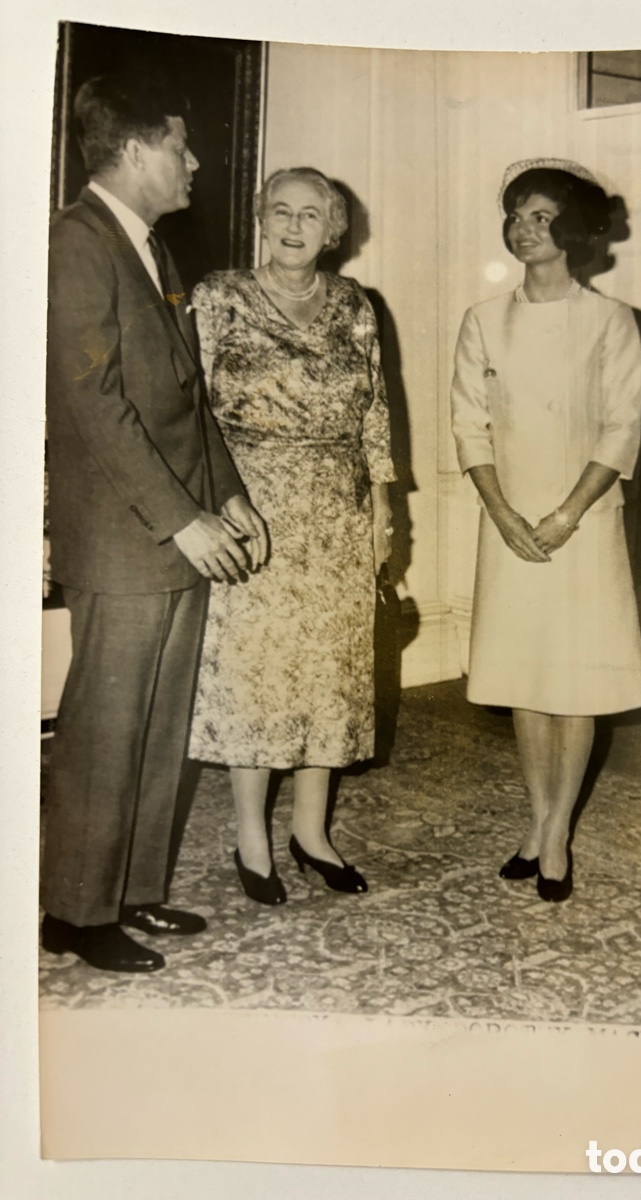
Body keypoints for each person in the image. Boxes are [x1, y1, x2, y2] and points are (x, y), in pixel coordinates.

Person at [41, 74, 267, 973]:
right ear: (135, 152)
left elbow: (184, 394)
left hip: (175, 524)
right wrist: (183, 520)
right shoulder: (75, 245)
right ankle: (74, 911)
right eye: (180, 147)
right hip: (127, 534)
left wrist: (231, 491)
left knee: (159, 720)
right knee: (106, 723)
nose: (195, 162)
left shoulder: (148, 246)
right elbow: (93, 408)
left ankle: (131, 892)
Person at [188, 167, 395, 903]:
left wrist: (383, 511)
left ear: (333, 230)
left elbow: (374, 413)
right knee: (258, 670)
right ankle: (251, 833)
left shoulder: (356, 305)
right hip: (254, 506)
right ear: (259, 218)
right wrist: (215, 501)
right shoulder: (217, 297)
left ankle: (312, 832)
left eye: (312, 215)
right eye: (281, 211)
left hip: (338, 512)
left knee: (330, 672)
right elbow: (191, 411)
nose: (294, 226)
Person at [451, 160, 641, 902]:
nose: (523, 228)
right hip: (508, 523)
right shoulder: (482, 320)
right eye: (516, 215)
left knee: (573, 685)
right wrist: (503, 514)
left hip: (585, 522)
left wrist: (568, 513)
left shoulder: (612, 322)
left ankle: (558, 830)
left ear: (575, 229)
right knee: (525, 682)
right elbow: (468, 425)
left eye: (541, 216)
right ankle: (537, 820)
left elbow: (622, 428)